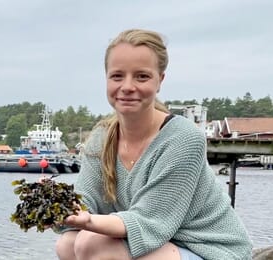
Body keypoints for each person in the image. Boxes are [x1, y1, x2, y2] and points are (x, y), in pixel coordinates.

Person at [54, 29, 253, 260]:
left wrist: (88, 221)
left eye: (142, 76)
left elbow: (151, 221)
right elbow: (85, 201)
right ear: (106, 78)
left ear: (160, 80)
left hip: (209, 248)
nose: (127, 86)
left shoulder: (183, 138)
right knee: (67, 243)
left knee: (94, 244)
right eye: (117, 76)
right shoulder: (101, 137)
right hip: (160, 243)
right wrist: (56, 202)